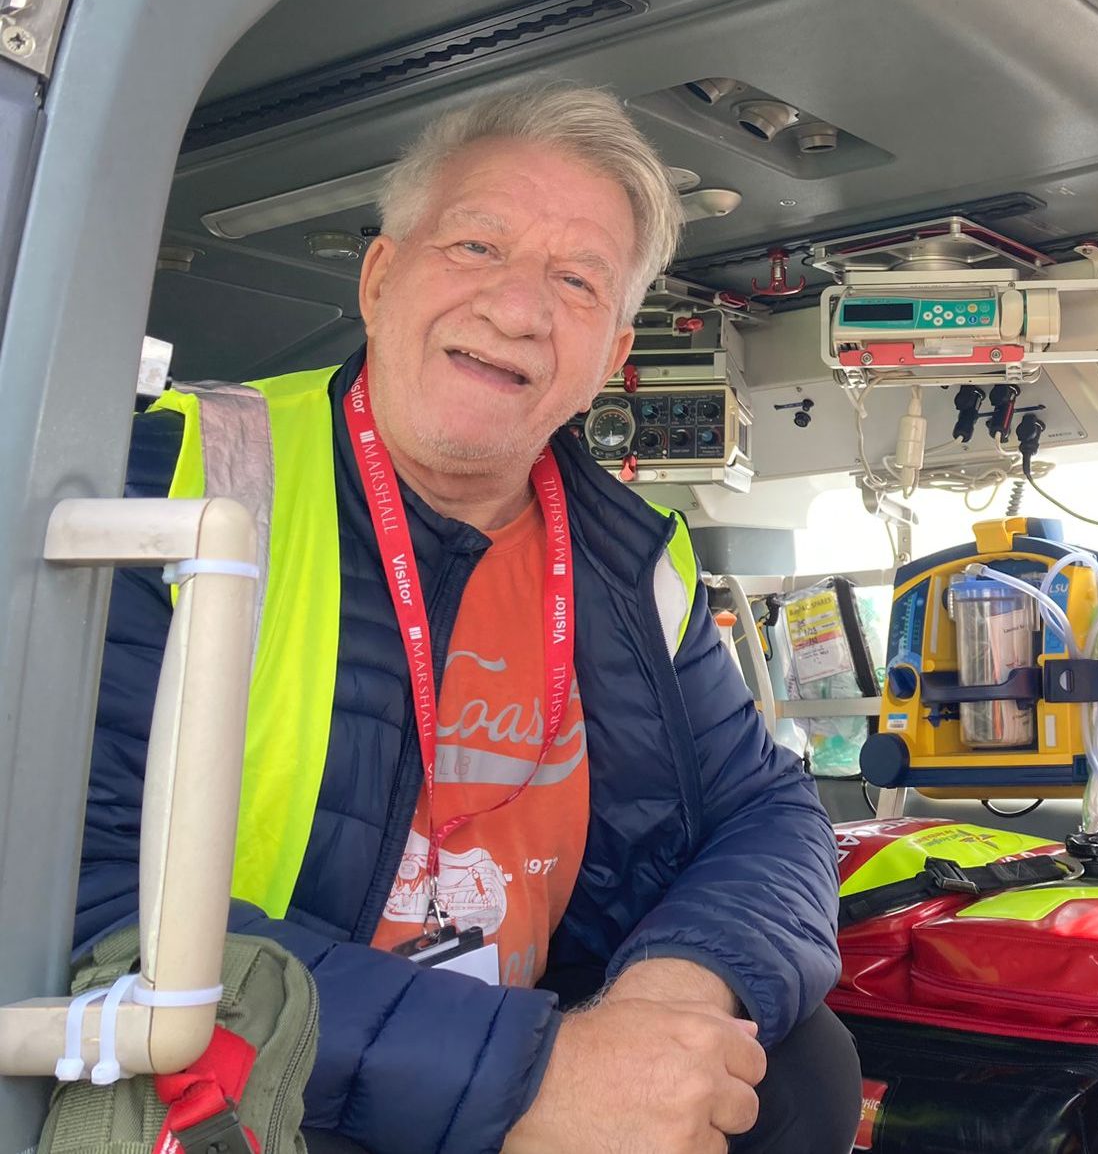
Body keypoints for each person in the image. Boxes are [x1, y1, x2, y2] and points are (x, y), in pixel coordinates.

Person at [76, 86, 861, 1154]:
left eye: (576, 282)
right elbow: (77, 894)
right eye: (477, 244)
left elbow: (769, 814)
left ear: (608, 354)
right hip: (273, 1081)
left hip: (531, 1042)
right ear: (380, 276)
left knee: (795, 1068)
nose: (518, 307)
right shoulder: (172, 482)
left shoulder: (632, 564)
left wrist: (669, 998)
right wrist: (522, 1079)